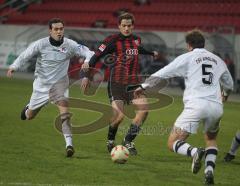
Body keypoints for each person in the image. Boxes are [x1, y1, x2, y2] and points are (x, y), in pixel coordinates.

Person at [133, 29, 234, 184]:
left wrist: (144, 85)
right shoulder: (217, 60)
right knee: (211, 139)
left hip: (196, 105)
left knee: (172, 142)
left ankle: (195, 152)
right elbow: (229, 83)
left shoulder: (187, 57)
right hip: (216, 107)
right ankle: (209, 171)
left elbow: (164, 73)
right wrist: (225, 94)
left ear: (189, 45)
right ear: (203, 44)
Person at [7, 18, 94, 157]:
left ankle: (69, 145)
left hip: (59, 85)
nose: (59, 32)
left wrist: (88, 61)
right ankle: (30, 107)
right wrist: (14, 66)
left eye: (61, 29)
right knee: (29, 116)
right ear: (50, 31)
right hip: (41, 85)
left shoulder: (70, 45)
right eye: (56, 29)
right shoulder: (41, 44)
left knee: (65, 112)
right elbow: (25, 55)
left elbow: (89, 52)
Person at [83, 12, 158, 155]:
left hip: (133, 84)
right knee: (119, 116)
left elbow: (137, 49)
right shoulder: (111, 41)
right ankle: (110, 140)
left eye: (129, 26)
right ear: (119, 26)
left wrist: (150, 53)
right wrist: (87, 76)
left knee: (144, 110)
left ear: (133, 26)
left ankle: (128, 141)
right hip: (116, 83)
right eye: (124, 25)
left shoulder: (137, 40)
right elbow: (96, 57)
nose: (126, 28)